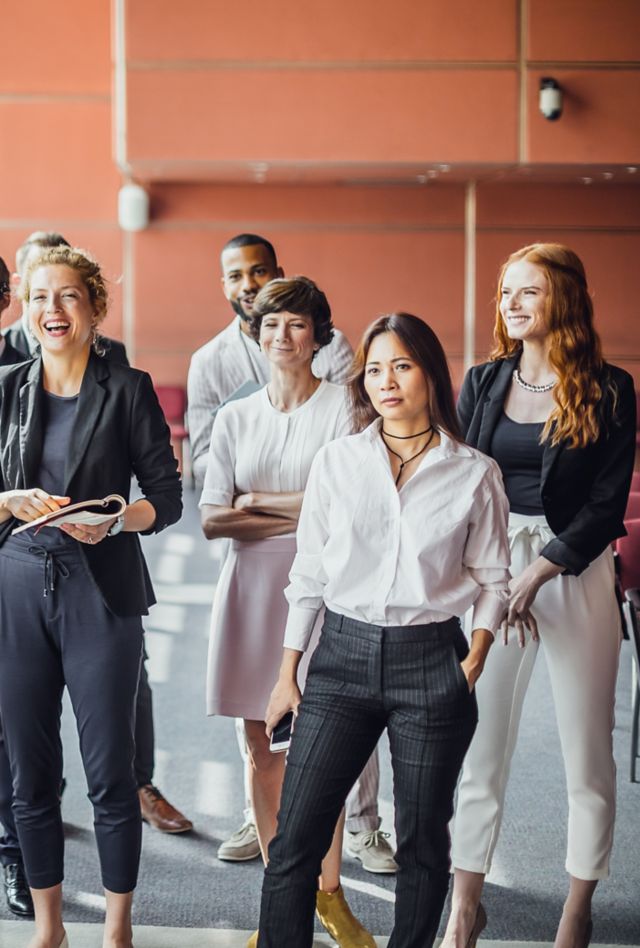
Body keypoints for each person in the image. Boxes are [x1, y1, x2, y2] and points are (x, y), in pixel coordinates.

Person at [257, 313, 511, 948]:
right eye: (374, 368)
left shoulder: (474, 472)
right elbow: (309, 571)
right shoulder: (339, 461)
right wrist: (288, 673)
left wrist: (471, 662)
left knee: (424, 842)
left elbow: (492, 578)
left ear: (430, 373)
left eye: (402, 365)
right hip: (339, 657)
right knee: (296, 839)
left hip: (431, 660)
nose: (386, 381)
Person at [442, 244, 636, 948]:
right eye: (506, 293)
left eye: (529, 292)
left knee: (587, 753)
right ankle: (465, 902)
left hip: (573, 575)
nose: (513, 304)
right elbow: (458, 478)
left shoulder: (609, 388)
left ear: (565, 299)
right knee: (478, 745)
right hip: (493, 573)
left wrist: (540, 570)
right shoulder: (484, 381)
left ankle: (577, 906)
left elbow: (607, 506)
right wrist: (489, 574)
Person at [189, 233, 393, 874]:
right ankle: (283, 886)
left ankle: (327, 885)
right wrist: (298, 505)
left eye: (296, 324)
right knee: (259, 743)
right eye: (269, 323)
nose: (281, 334)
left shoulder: (344, 409)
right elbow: (212, 519)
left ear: (317, 336)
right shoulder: (234, 417)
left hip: (326, 587)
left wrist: (257, 502)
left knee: (324, 741)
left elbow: (348, 511)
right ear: (255, 334)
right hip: (248, 589)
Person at [0, 246, 182, 948]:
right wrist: (8, 500)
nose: (53, 309)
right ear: (24, 305)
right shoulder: (7, 385)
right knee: (30, 773)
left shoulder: (127, 388)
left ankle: (116, 929)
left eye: (69, 296)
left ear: (95, 307)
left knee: (110, 772)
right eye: (41, 296)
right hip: (17, 585)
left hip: (101, 591)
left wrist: (113, 520)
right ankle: (49, 929)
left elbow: (164, 499)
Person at [3, 232, 128, 365]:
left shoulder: (114, 354)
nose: (52, 307)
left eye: (68, 295)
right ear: (19, 283)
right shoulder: (3, 349)